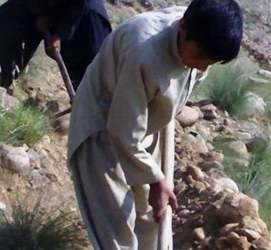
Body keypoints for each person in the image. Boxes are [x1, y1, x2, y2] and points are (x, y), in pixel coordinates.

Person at [67, 0, 243, 249]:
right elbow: (123, 129)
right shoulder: (143, 51)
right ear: (182, 28)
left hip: (144, 123)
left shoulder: (200, 29)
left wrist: (155, 178)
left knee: (152, 219)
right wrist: (156, 179)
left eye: (211, 63)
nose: (203, 67)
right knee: (116, 233)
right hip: (103, 129)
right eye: (200, 57)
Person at [0, 0, 112, 90]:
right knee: (10, 12)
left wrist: (61, 33)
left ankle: (89, 111)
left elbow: (79, 3)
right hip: (49, 4)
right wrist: (41, 11)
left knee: (89, 65)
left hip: (81, 11)